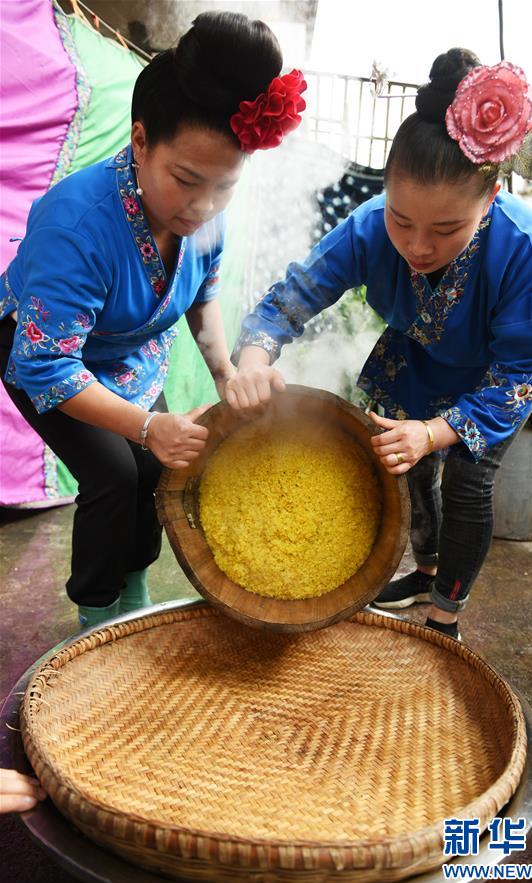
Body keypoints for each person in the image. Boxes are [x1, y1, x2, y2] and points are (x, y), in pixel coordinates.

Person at [225, 48, 532, 641]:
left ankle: (445, 616)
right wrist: (256, 355)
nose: (418, 246)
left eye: (445, 230)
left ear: (488, 202)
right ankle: (425, 568)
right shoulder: (367, 225)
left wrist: (438, 431)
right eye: (402, 221)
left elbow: (522, 368)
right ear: (386, 191)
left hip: (495, 378)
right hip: (416, 359)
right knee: (404, 466)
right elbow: (293, 297)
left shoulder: (521, 244)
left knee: (468, 479)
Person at [0, 12, 306, 629]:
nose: (204, 206)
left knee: (157, 468)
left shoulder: (208, 215)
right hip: (45, 350)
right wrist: (146, 424)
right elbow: (49, 363)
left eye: (224, 187)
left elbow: (203, 297)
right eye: (186, 181)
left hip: (129, 354)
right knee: (113, 474)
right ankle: (92, 617)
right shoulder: (76, 223)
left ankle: (132, 597)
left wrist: (224, 370)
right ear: (140, 141)